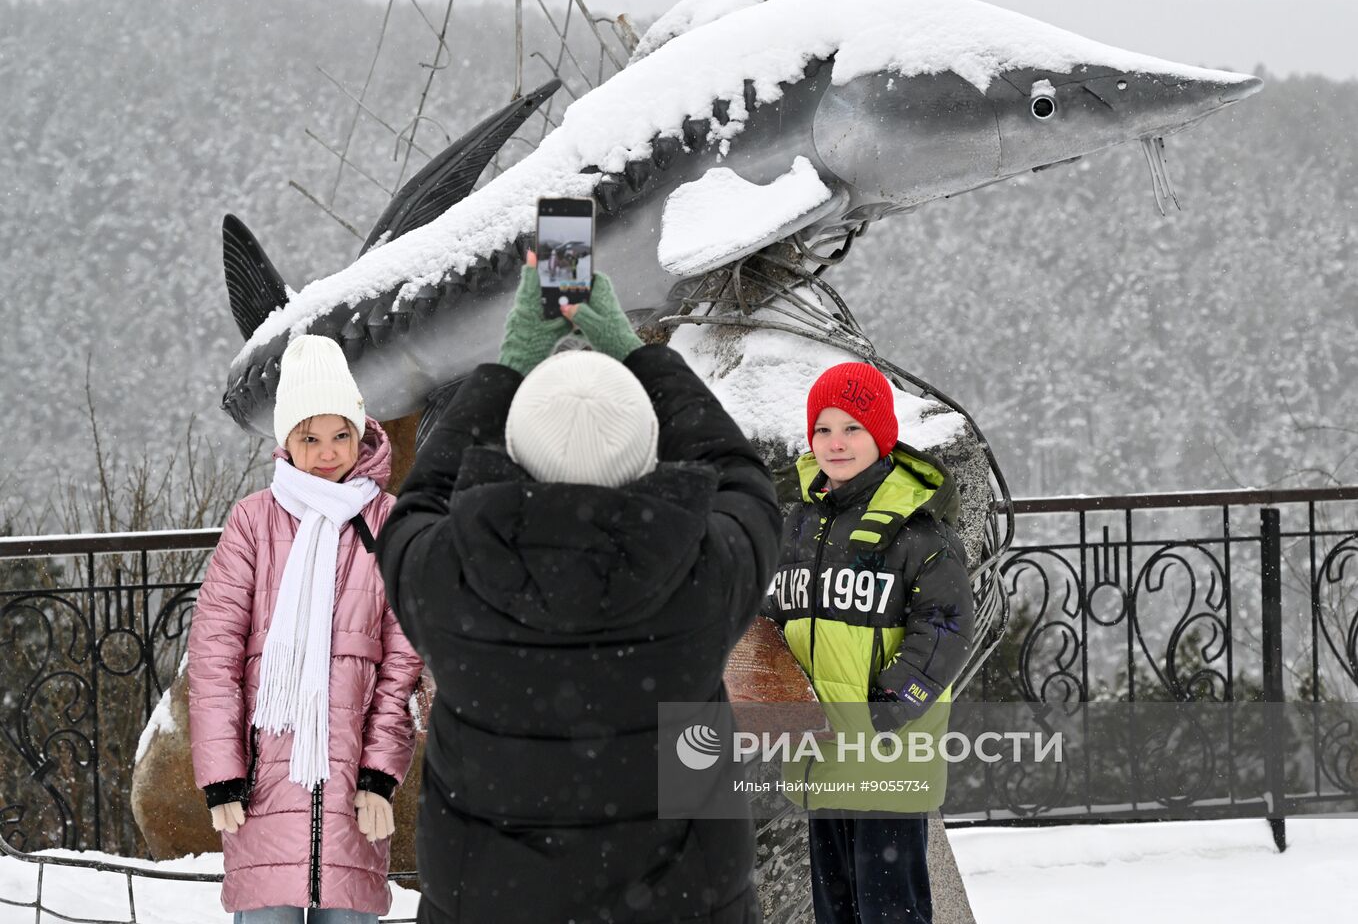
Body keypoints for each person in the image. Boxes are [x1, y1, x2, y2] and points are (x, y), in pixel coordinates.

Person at [376, 253, 781, 924]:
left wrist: (508, 366)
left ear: (511, 450)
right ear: (649, 449)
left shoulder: (447, 575)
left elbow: (418, 501)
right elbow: (743, 480)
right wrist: (637, 353)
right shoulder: (703, 571)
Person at [188, 335, 424, 924]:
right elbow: (214, 655)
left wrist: (378, 774)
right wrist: (222, 774)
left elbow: (402, 661)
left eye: (340, 435)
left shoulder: (387, 521)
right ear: (286, 440)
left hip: (352, 796)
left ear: (361, 431)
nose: (326, 453)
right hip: (263, 790)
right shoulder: (253, 521)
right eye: (309, 437)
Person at [764, 362, 975, 924]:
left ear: (881, 435)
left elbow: (948, 623)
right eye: (824, 430)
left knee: (890, 911)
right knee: (837, 909)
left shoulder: (917, 529)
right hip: (821, 750)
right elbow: (778, 614)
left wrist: (894, 702)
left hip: (887, 750)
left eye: (852, 428)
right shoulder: (802, 522)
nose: (836, 443)